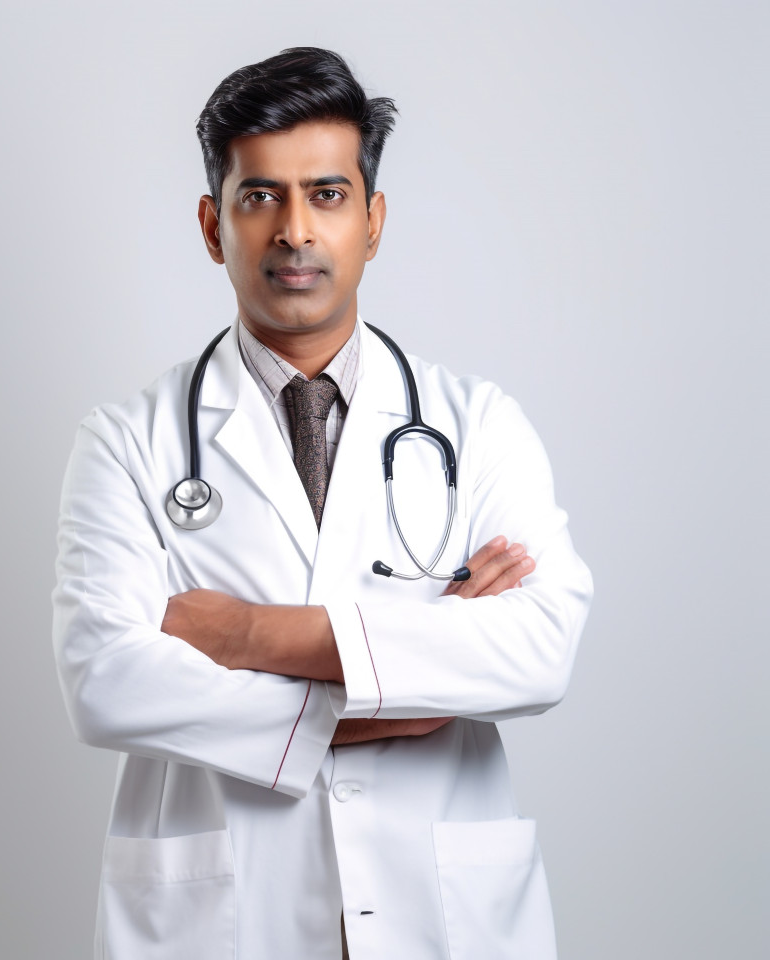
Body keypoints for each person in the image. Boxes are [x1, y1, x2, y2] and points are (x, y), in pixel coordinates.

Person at [52, 46, 592, 960]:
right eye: (259, 197)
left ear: (373, 222)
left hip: (443, 916)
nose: (294, 231)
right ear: (212, 225)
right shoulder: (126, 444)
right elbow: (107, 681)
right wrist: (409, 693)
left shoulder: (478, 423)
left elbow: (541, 648)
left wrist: (246, 637)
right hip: (225, 921)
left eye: (328, 195)